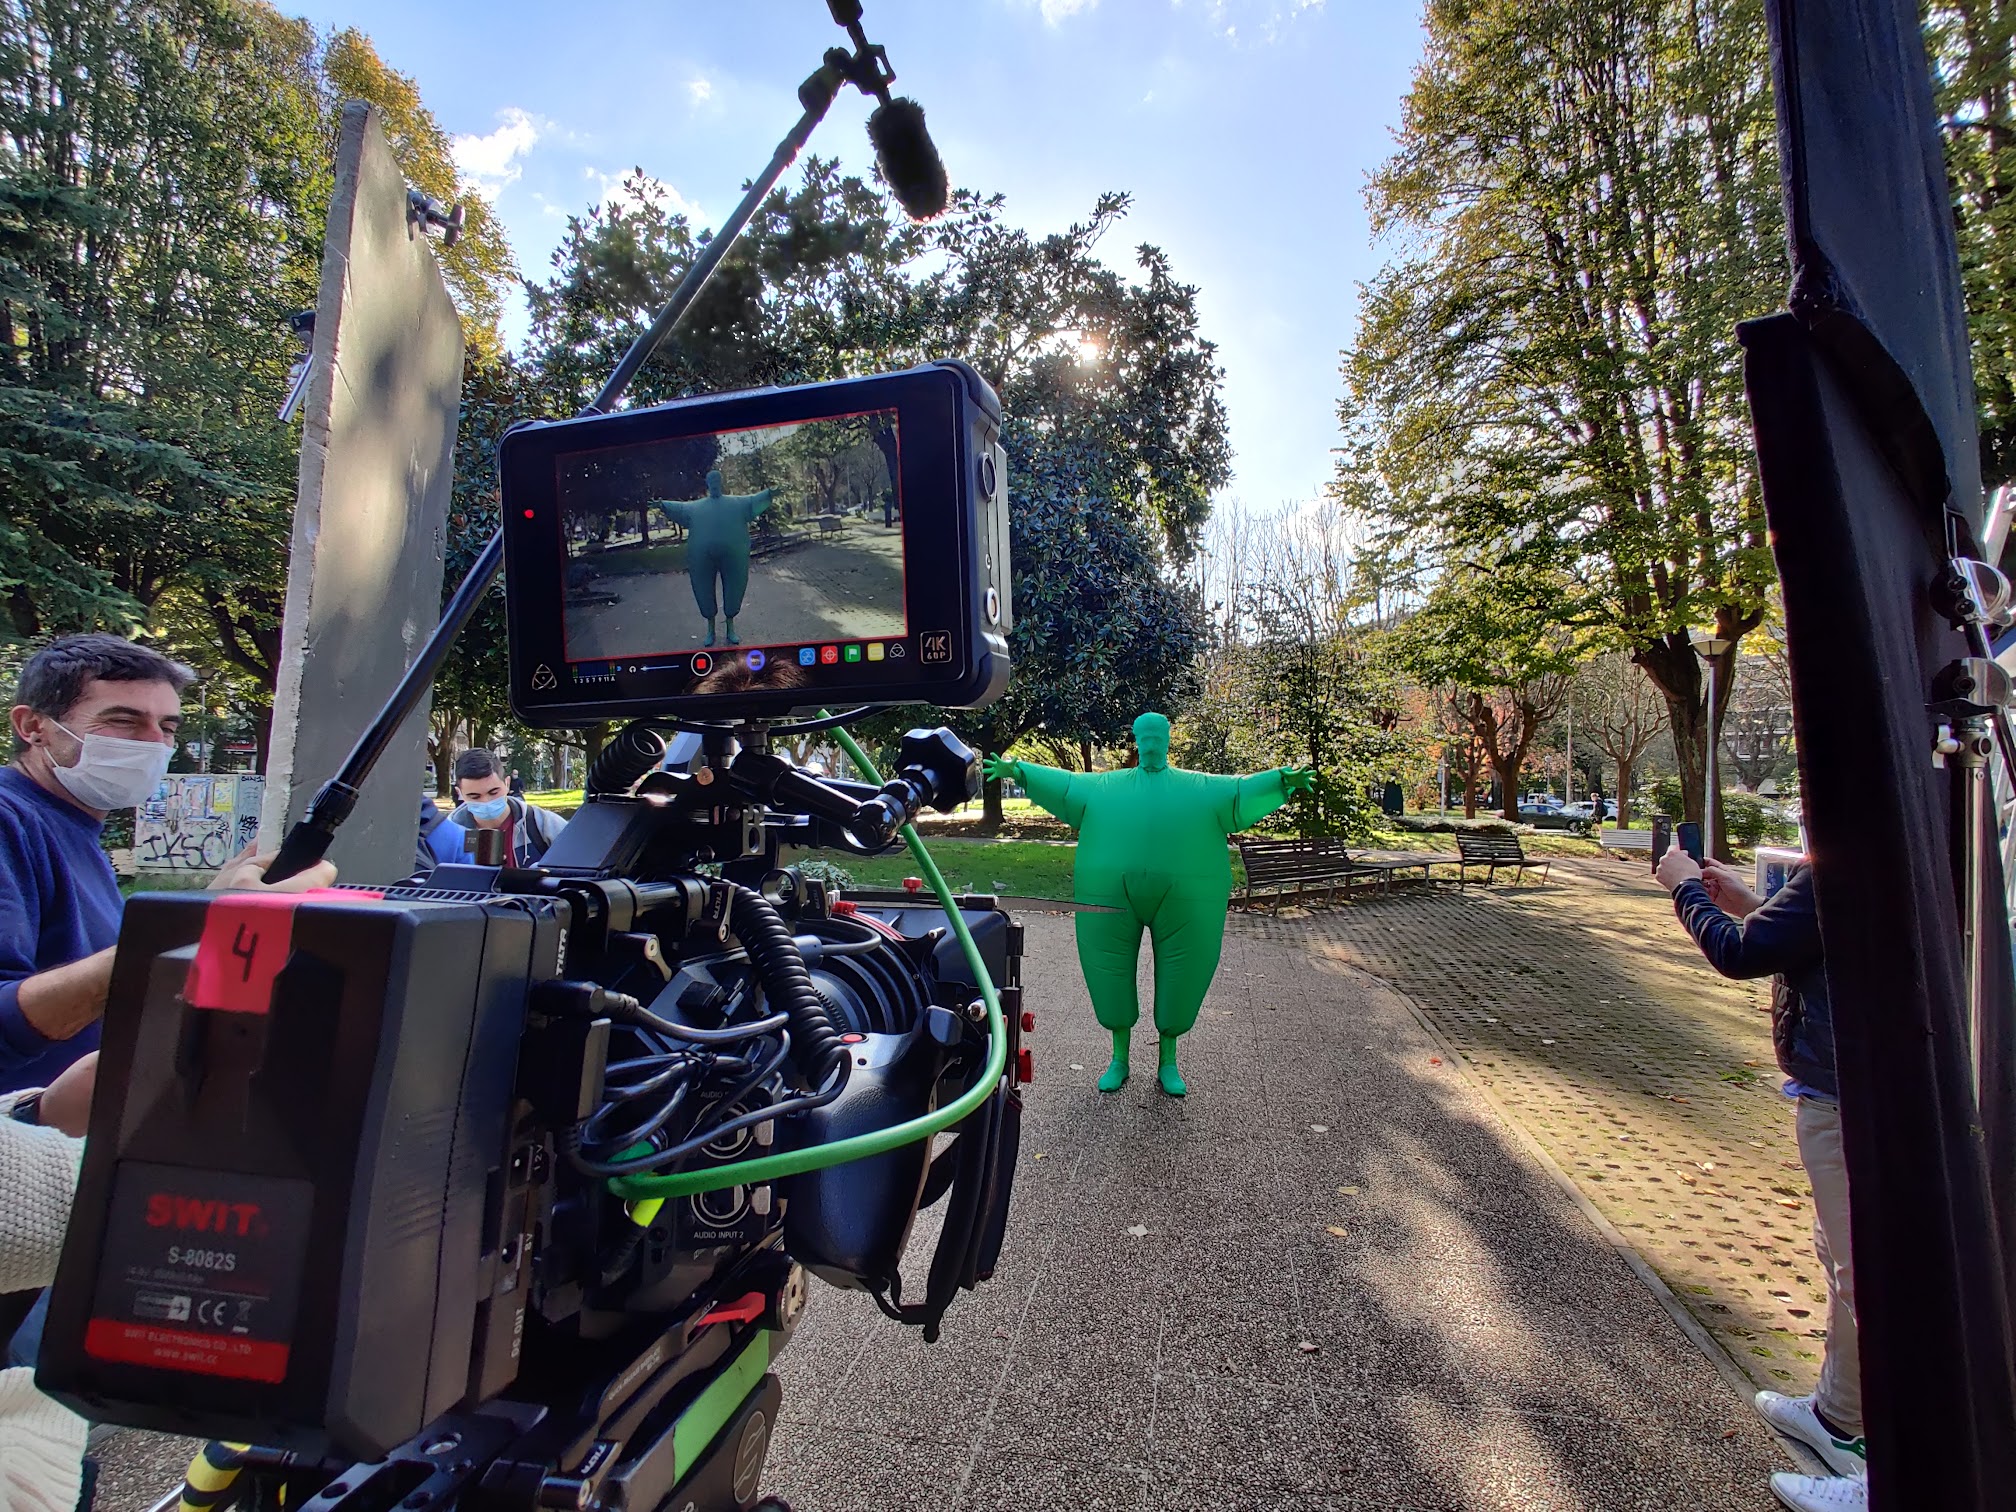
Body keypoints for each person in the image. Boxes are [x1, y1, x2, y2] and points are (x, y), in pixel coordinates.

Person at [1, 634, 337, 1095]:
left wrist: (202, 907)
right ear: (33, 726)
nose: (154, 743)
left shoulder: (70, 824)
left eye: (168, 727)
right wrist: (212, 923)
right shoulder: (10, 820)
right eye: (123, 720)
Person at [1655, 845, 1865, 1512]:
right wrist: (1751, 905)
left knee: (1867, 1276)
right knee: (1842, 1261)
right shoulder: (1875, 853)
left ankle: (1894, 1471)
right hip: (1839, 1087)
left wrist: (1684, 888)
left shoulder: (1846, 858)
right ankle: (1837, 1416)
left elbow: (1739, 955)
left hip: (1847, 1097)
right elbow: (1797, 942)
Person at [983, 712, 1313, 1097]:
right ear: (1138, 741)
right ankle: (1119, 1059)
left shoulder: (1199, 788)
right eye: (1147, 737)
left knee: (1183, 974)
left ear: (1168, 740)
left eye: (1159, 737)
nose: (1153, 744)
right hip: (1110, 891)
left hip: (1185, 896)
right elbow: (1067, 786)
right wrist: (1020, 771)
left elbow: (1239, 791)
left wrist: (1279, 780)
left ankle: (1168, 1061)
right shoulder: (1106, 787)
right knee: (1108, 970)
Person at [651, 469, 775, 647]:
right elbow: (680, 508)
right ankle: (710, 630)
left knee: (734, 587)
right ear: (708, 484)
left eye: (717, 481)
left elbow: (753, 501)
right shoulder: (696, 507)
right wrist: (663, 505)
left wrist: (769, 494)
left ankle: (730, 628)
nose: (715, 484)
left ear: (721, 483)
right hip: (702, 556)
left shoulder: (736, 503)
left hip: (733, 555)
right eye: (712, 481)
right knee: (703, 589)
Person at [441, 749, 566, 867]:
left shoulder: (543, 824)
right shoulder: (448, 836)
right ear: (459, 793)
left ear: (507, 783)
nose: (486, 801)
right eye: (474, 796)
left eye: (493, 792)